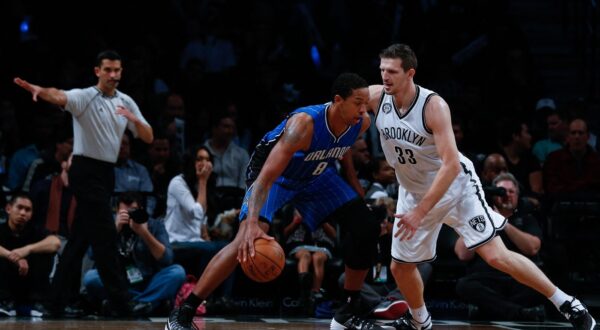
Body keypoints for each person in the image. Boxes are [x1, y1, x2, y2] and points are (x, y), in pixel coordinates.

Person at [366, 43, 595, 330]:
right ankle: (420, 320)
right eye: (382, 70)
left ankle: (567, 303)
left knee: (496, 255)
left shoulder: (433, 106)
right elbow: (341, 104)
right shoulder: (376, 96)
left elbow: (450, 165)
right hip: (414, 190)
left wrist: (421, 211)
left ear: (409, 73)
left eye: (392, 71)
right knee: (400, 267)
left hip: (454, 186)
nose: (385, 76)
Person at [165, 73, 383, 330]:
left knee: (365, 225)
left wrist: (356, 194)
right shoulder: (304, 124)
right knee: (245, 242)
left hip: (315, 173)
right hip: (273, 177)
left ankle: (348, 310)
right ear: (337, 100)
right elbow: (266, 178)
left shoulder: (361, 121)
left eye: (365, 103)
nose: (363, 108)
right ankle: (184, 312)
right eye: (357, 102)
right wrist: (253, 223)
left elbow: (344, 146)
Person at [14, 49, 154, 316]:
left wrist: (135, 120)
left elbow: (148, 137)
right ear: (97, 71)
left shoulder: (126, 101)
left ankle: (53, 304)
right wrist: (38, 89)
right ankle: (122, 303)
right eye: (108, 70)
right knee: (105, 239)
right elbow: (59, 95)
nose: (113, 75)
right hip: (85, 169)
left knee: (79, 241)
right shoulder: (86, 97)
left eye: (117, 70)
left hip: (106, 173)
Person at [454, 173, 546, 321]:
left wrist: (503, 223)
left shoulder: (527, 218)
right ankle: (519, 313)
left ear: (518, 195)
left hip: (519, 278)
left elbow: (533, 248)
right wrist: (482, 217)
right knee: (464, 285)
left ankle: (493, 310)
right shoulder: (481, 217)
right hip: (487, 278)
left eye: (511, 192)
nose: (507, 195)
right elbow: (463, 254)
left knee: (542, 283)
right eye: (501, 191)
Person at [83, 192, 185, 316]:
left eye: (133, 211)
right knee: (91, 277)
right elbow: (92, 254)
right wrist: (115, 230)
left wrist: (144, 233)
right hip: (119, 283)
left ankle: (128, 305)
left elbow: (167, 259)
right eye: (124, 212)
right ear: (117, 211)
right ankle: (148, 304)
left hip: (150, 282)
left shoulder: (155, 225)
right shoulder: (109, 224)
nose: (129, 216)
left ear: (141, 210)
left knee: (177, 272)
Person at [0, 192, 61, 317]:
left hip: (29, 283)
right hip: (6, 284)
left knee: (44, 250)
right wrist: (14, 257)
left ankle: (37, 303)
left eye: (27, 210)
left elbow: (55, 243)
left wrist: (27, 249)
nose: (23, 213)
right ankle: (5, 302)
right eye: (19, 207)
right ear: (8, 208)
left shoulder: (36, 230)